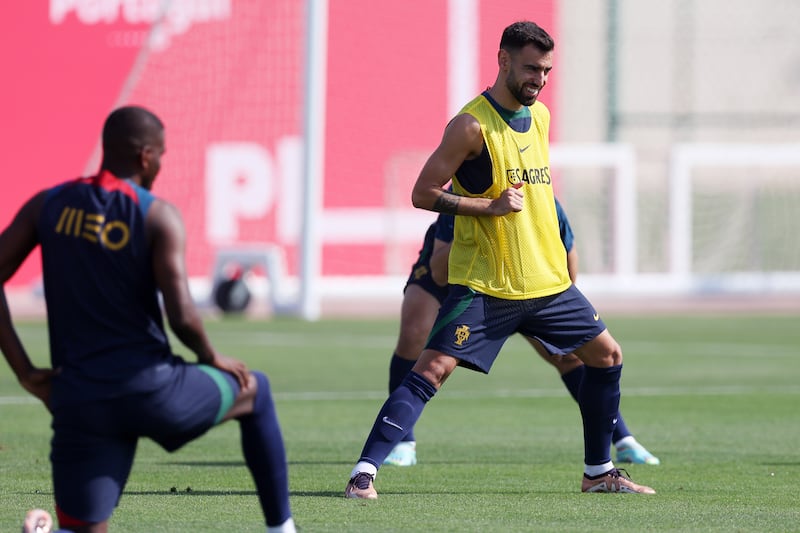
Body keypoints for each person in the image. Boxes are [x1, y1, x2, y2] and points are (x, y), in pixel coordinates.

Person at [345, 20, 655, 498]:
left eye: (547, 71)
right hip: (489, 286)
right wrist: (485, 207)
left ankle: (598, 471)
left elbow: (537, 199)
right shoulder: (470, 125)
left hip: (546, 283)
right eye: (531, 68)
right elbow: (422, 193)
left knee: (607, 355)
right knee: (431, 369)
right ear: (503, 61)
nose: (540, 79)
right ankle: (364, 472)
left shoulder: (541, 118)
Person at [0, 106, 296, 532]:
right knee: (256, 389)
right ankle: (281, 529)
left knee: (83, 528)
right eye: (161, 155)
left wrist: (25, 372)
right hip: (154, 392)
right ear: (145, 156)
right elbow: (181, 315)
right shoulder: (156, 214)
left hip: (80, 400)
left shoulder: (48, 205)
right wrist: (211, 355)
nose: (160, 164)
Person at [383, 201, 660, 467]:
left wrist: (556, 316)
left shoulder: (545, 201)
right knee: (415, 334)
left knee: (568, 355)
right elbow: (439, 273)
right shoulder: (462, 194)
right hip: (463, 280)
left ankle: (623, 439)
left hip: (523, 284)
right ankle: (402, 442)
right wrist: (481, 222)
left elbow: (568, 265)